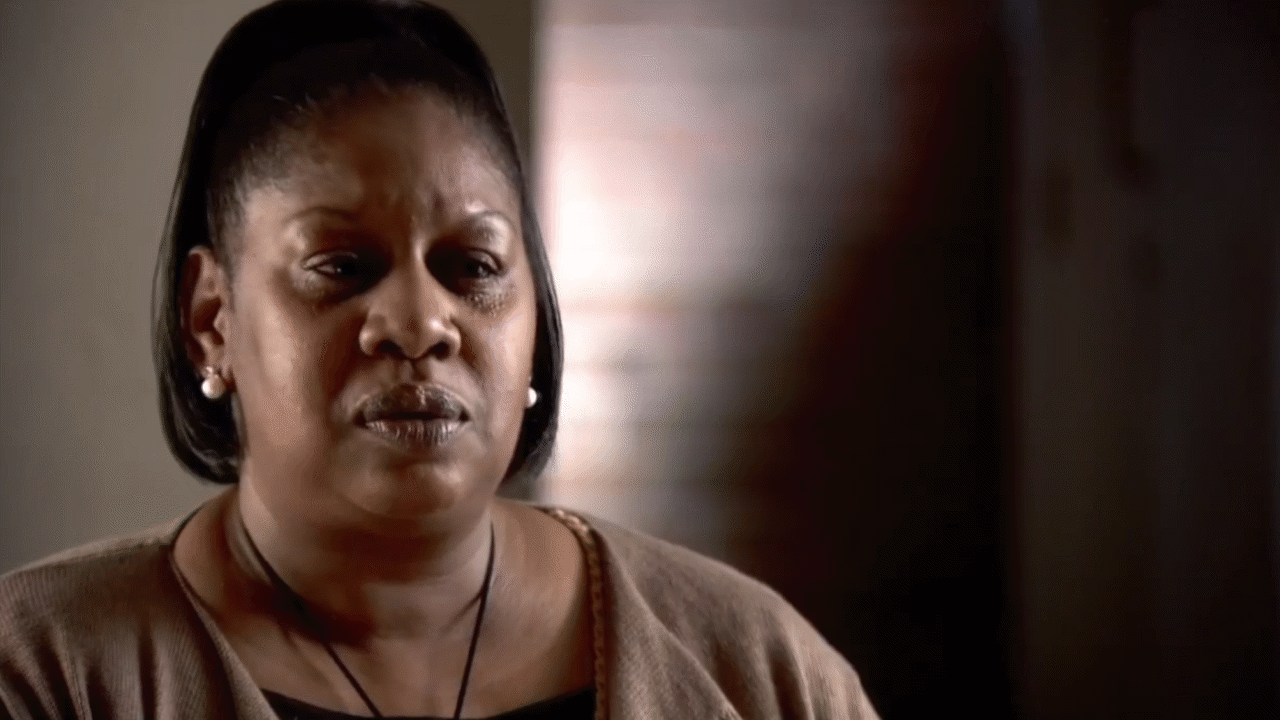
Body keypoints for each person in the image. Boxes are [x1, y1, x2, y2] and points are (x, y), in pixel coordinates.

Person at [0, 1, 879, 718]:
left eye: (473, 268)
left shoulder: (752, 669)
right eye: (342, 267)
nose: (421, 323)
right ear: (211, 322)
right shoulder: (45, 673)